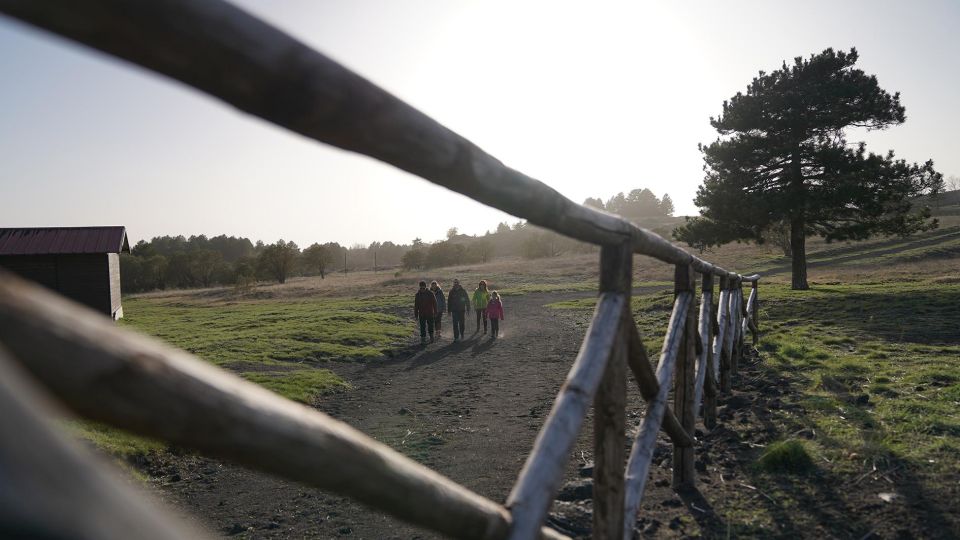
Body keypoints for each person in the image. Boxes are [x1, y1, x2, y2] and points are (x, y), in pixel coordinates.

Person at [413, 281, 438, 345]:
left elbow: (435, 304)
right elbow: (416, 306)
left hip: (430, 313)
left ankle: (431, 337)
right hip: (421, 314)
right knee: (422, 327)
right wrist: (416, 315)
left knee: (430, 326)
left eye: (423, 288)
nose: (422, 290)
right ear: (419, 287)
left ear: (425, 287)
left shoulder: (431, 293)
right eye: (421, 288)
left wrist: (435, 312)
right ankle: (423, 339)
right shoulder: (417, 295)